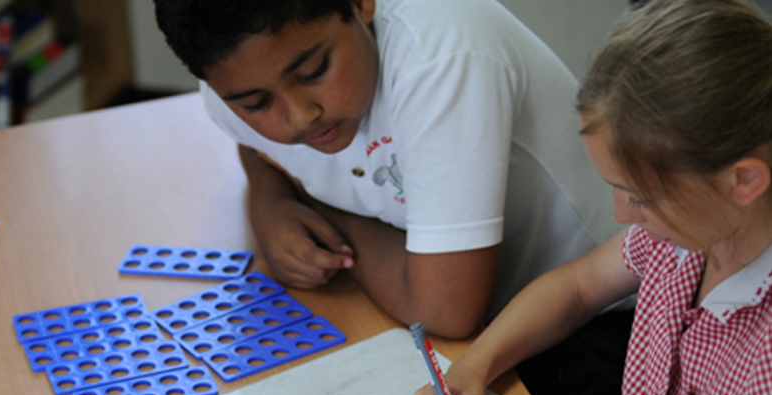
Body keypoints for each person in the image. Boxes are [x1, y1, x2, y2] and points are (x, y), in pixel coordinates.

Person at [405, 0, 772, 395]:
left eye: (640, 197)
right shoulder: (685, 237)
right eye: (616, 190)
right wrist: (472, 367)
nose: (623, 214)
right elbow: (577, 288)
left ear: (743, 181)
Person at [153, 0, 620, 340]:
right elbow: (256, 150)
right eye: (256, 103)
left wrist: (323, 211)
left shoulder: (441, 55)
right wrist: (269, 199)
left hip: (603, 321)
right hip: (489, 316)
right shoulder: (228, 91)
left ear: (361, 5)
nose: (299, 115)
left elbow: (443, 312)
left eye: (315, 70)